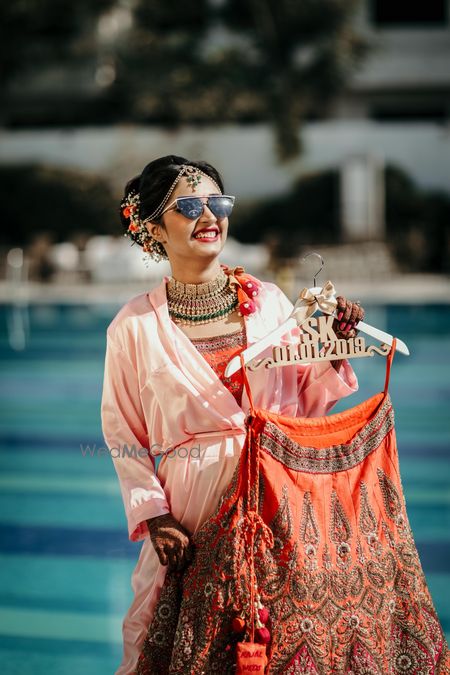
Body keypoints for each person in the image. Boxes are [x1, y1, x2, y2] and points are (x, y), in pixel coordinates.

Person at [101, 155, 364, 674]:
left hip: (277, 505)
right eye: (190, 206)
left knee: (287, 645)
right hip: (189, 519)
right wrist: (153, 515)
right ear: (153, 227)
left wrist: (333, 346)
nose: (209, 217)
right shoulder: (132, 326)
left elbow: (304, 402)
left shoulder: (267, 301)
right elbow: (121, 431)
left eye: (217, 202)